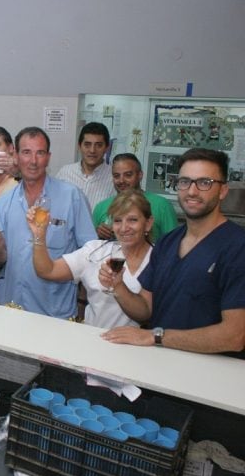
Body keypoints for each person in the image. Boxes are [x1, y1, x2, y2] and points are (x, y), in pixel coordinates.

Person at [100, 148, 245, 355]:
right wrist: (118, 287)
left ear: (222, 191)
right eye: (185, 181)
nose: (192, 191)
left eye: (205, 183)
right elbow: (145, 310)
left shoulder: (237, 247)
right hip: (160, 368)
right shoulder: (168, 242)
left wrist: (156, 336)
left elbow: (234, 336)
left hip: (209, 379)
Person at [0, 126, 96, 318]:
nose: (33, 161)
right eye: (27, 153)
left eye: (40, 153)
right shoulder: (4, 202)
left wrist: (82, 301)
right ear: (16, 156)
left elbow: (91, 252)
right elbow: (1, 260)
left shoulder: (71, 197)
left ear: (48, 157)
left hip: (55, 310)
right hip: (13, 306)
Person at [29, 190, 153, 329]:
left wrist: (117, 286)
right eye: (118, 220)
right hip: (93, 341)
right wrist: (39, 234)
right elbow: (48, 271)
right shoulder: (95, 250)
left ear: (148, 223)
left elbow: (146, 314)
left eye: (133, 220)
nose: (124, 228)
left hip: (136, 348)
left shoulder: (160, 258)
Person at [92, 153, 178, 241]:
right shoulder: (101, 207)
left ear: (140, 175)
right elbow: (91, 245)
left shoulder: (162, 205)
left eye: (128, 175)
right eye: (116, 176)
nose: (121, 180)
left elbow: (173, 245)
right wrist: (98, 234)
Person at [55, 122, 114, 211]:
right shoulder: (65, 173)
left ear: (107, 148)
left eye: (98, 145)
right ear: (79, 146)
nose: (92, 150)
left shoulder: (114, 178)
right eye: (87, 145)